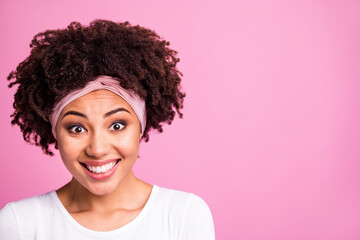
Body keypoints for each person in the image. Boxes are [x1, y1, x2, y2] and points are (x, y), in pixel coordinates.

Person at [0, 20, 215, 239]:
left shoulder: (184, 215)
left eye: (117, 125)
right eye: (76, 128)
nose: (98, 149)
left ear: (140, 127)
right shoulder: (19, 223)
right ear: (55, 132)